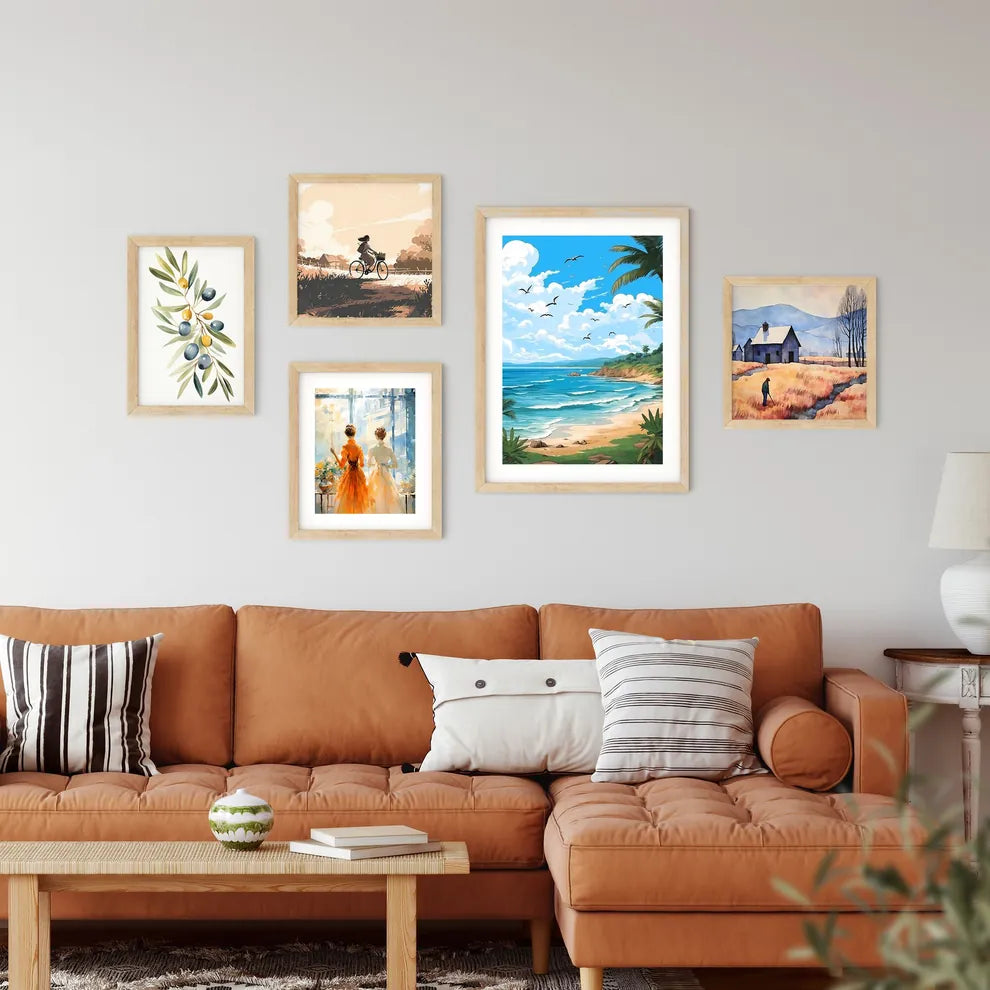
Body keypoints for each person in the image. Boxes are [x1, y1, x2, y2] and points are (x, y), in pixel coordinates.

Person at [332, 425, 369, 514]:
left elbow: (341, 465)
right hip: (358, 474)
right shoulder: (359, 447)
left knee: (347, 497)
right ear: (354, 434)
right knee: (358, 497)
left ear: (346, 434)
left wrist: (334, 454)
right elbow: (362, 464)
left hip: (349, 474)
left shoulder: (345, 447)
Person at [367, 427, 402, 514]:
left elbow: (368, 464)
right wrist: (386, 466)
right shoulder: (388, 449)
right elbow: (395, 465)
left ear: (376, 436)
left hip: (376, 473)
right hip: (385, 473)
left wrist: (376, 464)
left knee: (377, 494)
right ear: (384, 436)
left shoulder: (372, 449)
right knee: (387, 495)